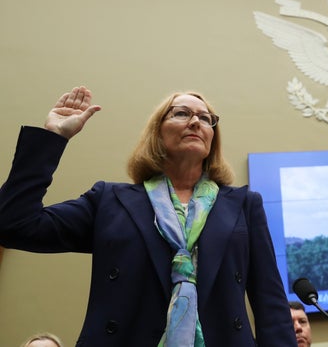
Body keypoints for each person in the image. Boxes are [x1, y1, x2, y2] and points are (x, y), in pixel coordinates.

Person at [0, 86, 295, 346]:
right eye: (181, 113)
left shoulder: (244, 205)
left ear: (212, 137)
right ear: (157, 131)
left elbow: (271, 304)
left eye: (206, 118)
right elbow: (15, 225)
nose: (195, 121)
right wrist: (53, 138)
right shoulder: (109, 201)